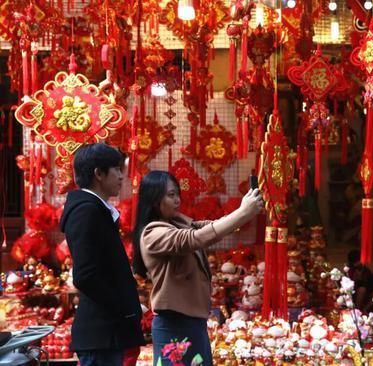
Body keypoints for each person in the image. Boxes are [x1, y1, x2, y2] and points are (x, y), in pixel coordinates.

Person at [133, 171, 263, 366]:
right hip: (174, 324)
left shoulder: (178, 222)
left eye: (177, 194)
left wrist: (243, 211)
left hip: (193, 321)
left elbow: (211, 228)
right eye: (170, 195)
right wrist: (243, 212)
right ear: (153, 198)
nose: (177, 200)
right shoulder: (152, 233)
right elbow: (198, 238)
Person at [60, 143, 145, 366]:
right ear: (99, 173)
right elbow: (85, 275)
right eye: (116, 169)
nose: (121, 176)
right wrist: (124, 308)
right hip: (102, 333)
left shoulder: (95, 209)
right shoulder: (86, 211)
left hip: (106, 332)